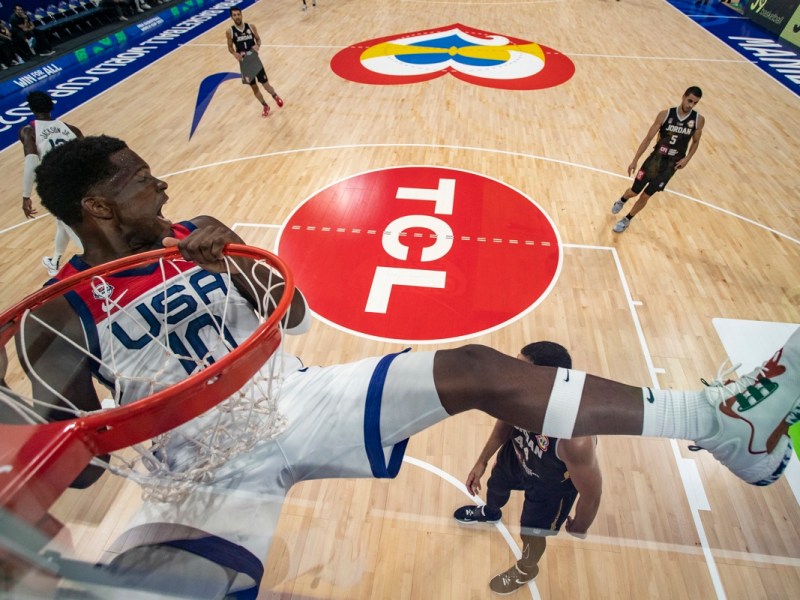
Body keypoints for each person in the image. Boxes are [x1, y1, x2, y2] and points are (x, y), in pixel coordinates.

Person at [23, 135, 799, 598]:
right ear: (97, 208)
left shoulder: (195, 235)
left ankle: (723, 425)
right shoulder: (59, 314)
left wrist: (233, 263)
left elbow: (290, 318)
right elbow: (81, 467)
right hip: (201, 469)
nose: (162, 184)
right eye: (140, 179)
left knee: (475, 369)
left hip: (290, 398)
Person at [453, 342, 602, 595]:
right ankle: (490, 512)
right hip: (519, 452)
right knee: (496, 485)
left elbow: (592, 492)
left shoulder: (575, 436)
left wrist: (581, 526)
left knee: (531, 531)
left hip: (550, 485)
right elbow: (505, 422)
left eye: (520, 367)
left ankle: (527, 568)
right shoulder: (518, 392)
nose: (511, 370)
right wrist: (482, 460)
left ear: (545, 379)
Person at [610, 87, 705, 233]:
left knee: (646, 196)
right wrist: (635, 160)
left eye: (695, 103)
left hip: (671, 165)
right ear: (683, 96)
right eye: (689, 100)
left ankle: (627, 219)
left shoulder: (698, 120)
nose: (691, 105)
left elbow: (696, 142)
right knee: (634, 192)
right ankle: (622, 199)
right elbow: (648, 138)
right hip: (655, 159)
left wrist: (688, 158)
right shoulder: (665, 115)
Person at [18, 91, 84, 276]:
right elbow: (87, 156)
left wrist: (26, 195)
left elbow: (31, 163)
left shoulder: (29, 131)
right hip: (82, 181)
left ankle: (93, 264)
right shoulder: (71, 128)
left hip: (58, 186)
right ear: (51, 106)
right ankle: (54, 261)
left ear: (31, 109)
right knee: (63, 223)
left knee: (71, 226)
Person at [226, 7, 284, 118]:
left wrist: (258, 45)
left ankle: (275, 96)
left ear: (241, 15)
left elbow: (258, 39)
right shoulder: (230, 32)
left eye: (238, 14)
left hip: (255, 60)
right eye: (234, 15)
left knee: (266, 85)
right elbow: (229, 47)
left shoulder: (251, 27)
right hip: (244, 64)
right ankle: (265, 106)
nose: (237, 17)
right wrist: (234, 53)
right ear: (231, 17)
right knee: (254, 88)